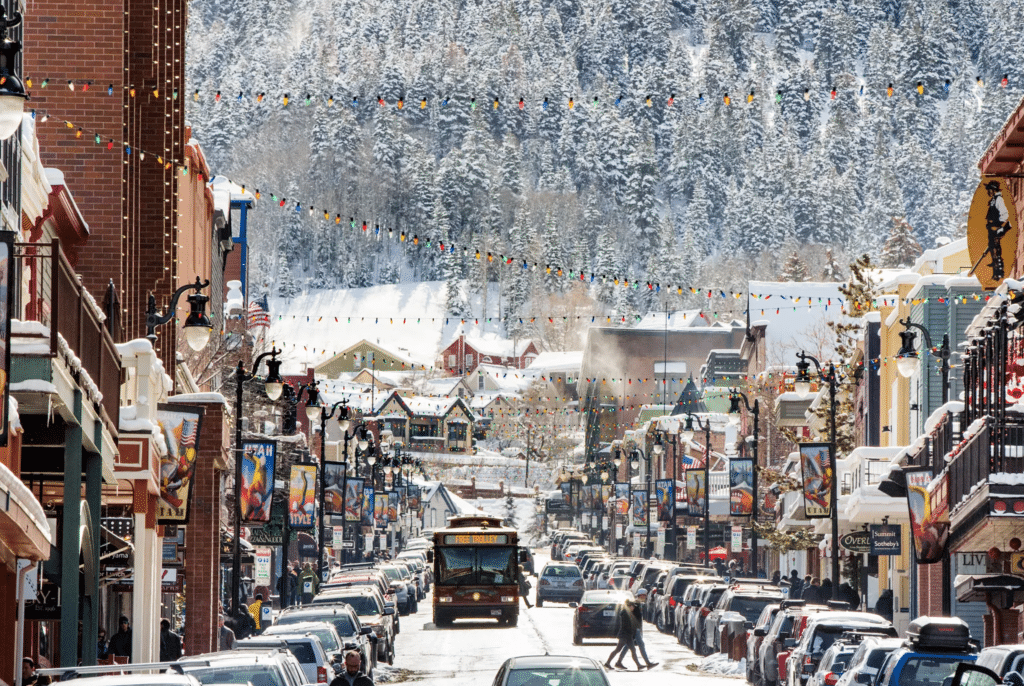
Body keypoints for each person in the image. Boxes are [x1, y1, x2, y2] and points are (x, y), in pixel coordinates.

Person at [605, 599, 641, 671]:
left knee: (633, 650)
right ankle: (607, 663)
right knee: (618, 649)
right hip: (624, 635)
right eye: (632, 606)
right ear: (629, 607)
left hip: (628, 635)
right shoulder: (625, 614)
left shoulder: (628, 613)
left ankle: (639, 665)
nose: (633, 608)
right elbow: (627, 625)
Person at [630, 590, 658, 669]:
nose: (645, 597)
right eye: (644, 595)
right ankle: (648, 663)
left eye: (645, 595)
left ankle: (618, 662)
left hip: (636, 628)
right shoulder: (636, 604)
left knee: (626, 646)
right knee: (640, 645)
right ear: (640, 595)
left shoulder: (640, 604)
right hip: (634, 629)